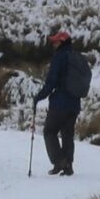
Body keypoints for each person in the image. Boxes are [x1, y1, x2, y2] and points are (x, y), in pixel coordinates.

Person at [33, 31, 81, 176]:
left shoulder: (59, 57)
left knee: (49, 131)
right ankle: (68, 166)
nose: (53, 44)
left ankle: (59, 161)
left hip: (60, 103)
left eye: (55, 42)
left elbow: (51, 83)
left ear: (61, 43)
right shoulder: (76, 57)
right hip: (75, 104)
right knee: (67, 134)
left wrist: (38, 97)